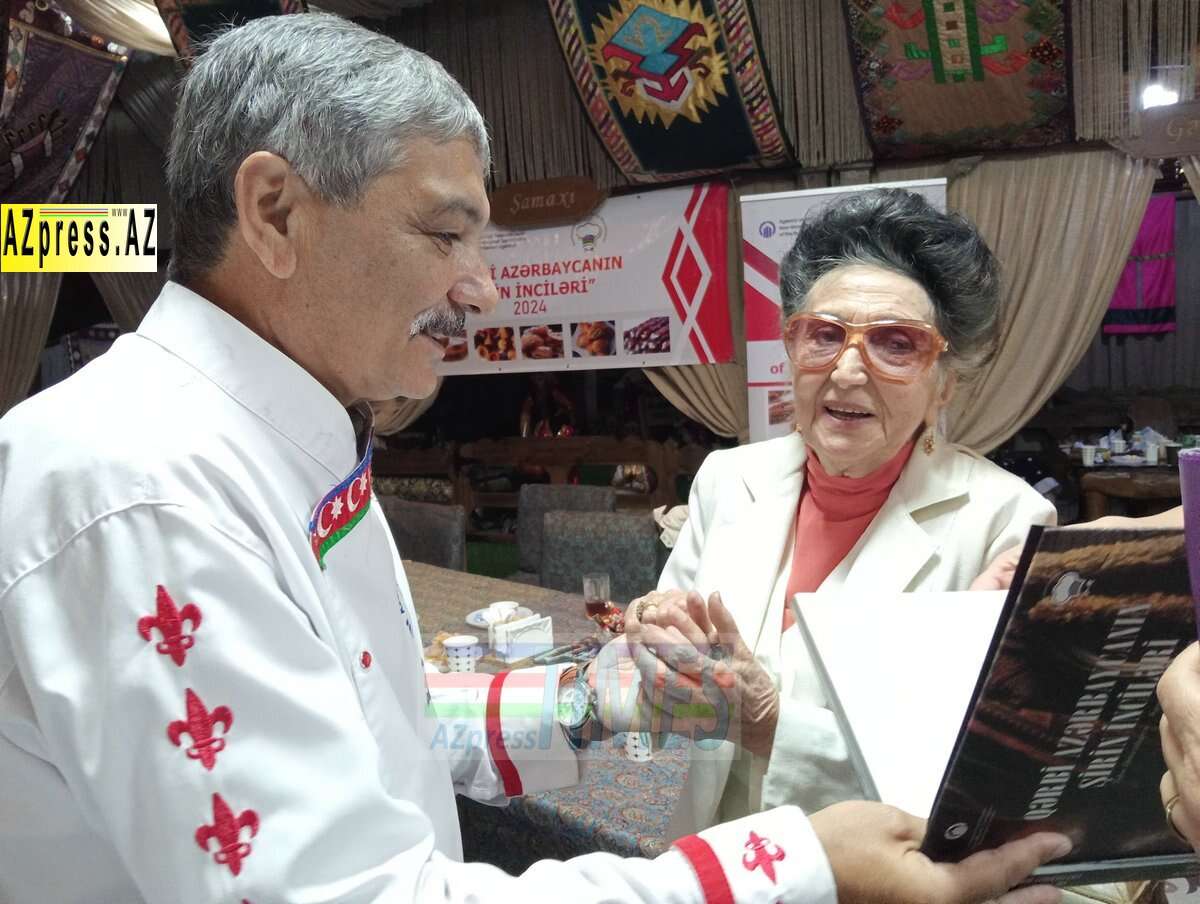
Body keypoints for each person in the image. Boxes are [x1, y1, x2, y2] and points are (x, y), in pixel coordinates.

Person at [0, 14, 1072, 904]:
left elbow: (389, 718)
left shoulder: (287, 445)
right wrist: (794, 866)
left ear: (947, 377)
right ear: (276, 212)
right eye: (446, 234)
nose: (483, 288)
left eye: (895, 345)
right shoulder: (146, 489)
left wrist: (605, 697)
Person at [626, 189, 1056, 837]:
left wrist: (769, 724)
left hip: (870, 868)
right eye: (824, 336)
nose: (848, 371)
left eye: (896, 344)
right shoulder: (728, 479)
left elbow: (989, 779)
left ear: (944, 383)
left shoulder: (1007, 524)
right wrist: (654, 637)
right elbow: (666, 682)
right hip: (712, 850)